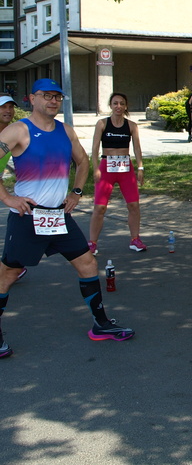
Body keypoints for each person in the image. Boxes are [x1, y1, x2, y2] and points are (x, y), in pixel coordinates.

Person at [0, 78, 134, 359]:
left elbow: (83, 161)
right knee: (8, 274)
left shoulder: (65, 131)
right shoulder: (18, 131)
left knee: (88, 263)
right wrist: (8, 198)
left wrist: (75, 191)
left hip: (58, 216)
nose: (53, 101)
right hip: (27, 217)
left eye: (58, 97)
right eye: (46, 96)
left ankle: (101, 324)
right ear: (32, 98)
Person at [88, 92, 147, 255]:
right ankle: (92, 243)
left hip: (125, 167)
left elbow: (137, 148)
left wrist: (140, 168)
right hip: (106, 166)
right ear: (111, 106)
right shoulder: (102, 124)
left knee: (133, 205)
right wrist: (96, 168)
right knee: (99, 207)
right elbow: (94, 149)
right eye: (115, 103)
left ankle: (135, 239)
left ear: (126, 106)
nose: (118, 106)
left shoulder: (131, 126)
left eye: (121, 103)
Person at [0, 95, 26, 283]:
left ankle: (12, 265)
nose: (8, 110)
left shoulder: (10, 131)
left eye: (10, 107)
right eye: (3, 107)